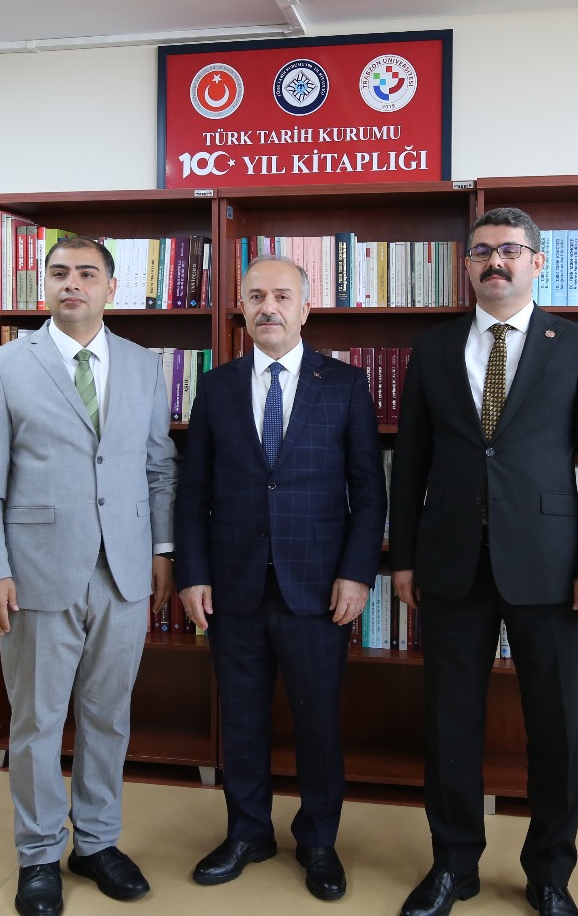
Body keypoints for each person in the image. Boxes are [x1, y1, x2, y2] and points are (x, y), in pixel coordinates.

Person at [388, 208, 578, 916]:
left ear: (536, 263)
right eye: (483, 251)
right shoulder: (433, 348)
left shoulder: (576, 344)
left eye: (511, 250)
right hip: (450, 564)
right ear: (467, 265)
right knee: (449, 724)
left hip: (550, 568)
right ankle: (453, 866)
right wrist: (405, 558)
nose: (496, 261)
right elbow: (411, 463)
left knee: (556, 728)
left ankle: (550, 873)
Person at [0, 237, 178, 916]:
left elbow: (159, 467)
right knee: (38, 721)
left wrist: (163, 552)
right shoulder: (4, 366)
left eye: (87, 273)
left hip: (124, 571)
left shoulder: (143, 365)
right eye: (60, 273)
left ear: (112, 288)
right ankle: (37, 855)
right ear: (44, 286)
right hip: (35, 573)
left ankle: (97, 842)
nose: (73, 283)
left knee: (109, 716)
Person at [175, 255, 385, 903]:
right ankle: (248, 832)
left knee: (318, 722)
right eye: (256, 296)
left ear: (306, 308)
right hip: (232, 585)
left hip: (317, 589)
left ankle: (319, 840)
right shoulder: (216, 387)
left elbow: (368, 492)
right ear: (241, 307)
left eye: (282, 296)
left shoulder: (344, 384)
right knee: (239, 719)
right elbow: (193, 492)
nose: (269, 307)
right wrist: (192, 574)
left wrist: (356, 573)